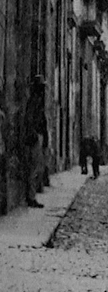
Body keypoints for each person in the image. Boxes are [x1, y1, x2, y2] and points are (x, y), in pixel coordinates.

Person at [24, 76, 48, 208]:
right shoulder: (34, 101)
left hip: (38, 136)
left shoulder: (37, 101)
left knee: (37, 168)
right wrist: (34, 134)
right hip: (35, 138)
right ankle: (31, 197)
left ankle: (32, 195)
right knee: (34, 168)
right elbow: (30, 119)